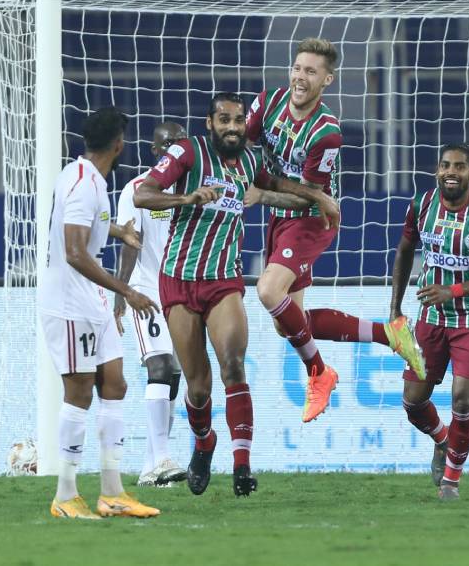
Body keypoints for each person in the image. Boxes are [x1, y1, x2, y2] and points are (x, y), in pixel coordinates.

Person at [133, 92, 337, 497]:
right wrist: (186, 198)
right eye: (224, 120)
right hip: (178, 280)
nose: (232, 127)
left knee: (233, 366)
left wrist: (317, 196)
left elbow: (276, 186)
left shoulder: (249, 160)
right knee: (198, 386)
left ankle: (242, 467)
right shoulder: (187, 152)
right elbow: (144, 193)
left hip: (224, 280)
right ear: (210, 123)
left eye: (239, 120)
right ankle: (204, 443)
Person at [247, 37, 425, 424]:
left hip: (311, 219)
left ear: (327, 79)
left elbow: (307, 198)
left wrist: (260, 193)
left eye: (311, 71)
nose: (300, 77)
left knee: (268, 290)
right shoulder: (268, 103)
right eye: (297, 68)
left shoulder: (326, 132)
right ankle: (390, 335)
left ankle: (319, 373)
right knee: (286, 323)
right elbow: (243, 152)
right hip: (281, 216)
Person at [37, 106, 161, 519]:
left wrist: (118, 230)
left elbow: (87, 223)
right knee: (79, 392)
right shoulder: (82, 184)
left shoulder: (88, 177)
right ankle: (65, 495)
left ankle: (112, 492)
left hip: (92, 299)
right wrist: (127, 290)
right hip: (69, 303)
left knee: (115, 384)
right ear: (119, 145)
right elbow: (74, 252)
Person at [389, 144, 469, 500]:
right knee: (413, 401)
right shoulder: (421, 205)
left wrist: (452, 290)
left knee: (462, 399)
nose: (451, 172)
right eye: (445, 166)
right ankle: (443, 440)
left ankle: (451, 481)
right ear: (437, 170)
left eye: (459, 166)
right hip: (430, 317)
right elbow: (404, 251)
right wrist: (395, 308)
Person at [114, 121, 188, 487]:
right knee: (159, 366)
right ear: (155, 151)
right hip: (148, 292)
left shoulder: (193, 187)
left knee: (173, 375)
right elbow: (131, 243)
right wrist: (121, 295)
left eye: (180, 142)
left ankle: (150, 467)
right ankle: (161, 458)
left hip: (184, 293)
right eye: (168, 144)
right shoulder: (136, 189)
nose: (175, 149)